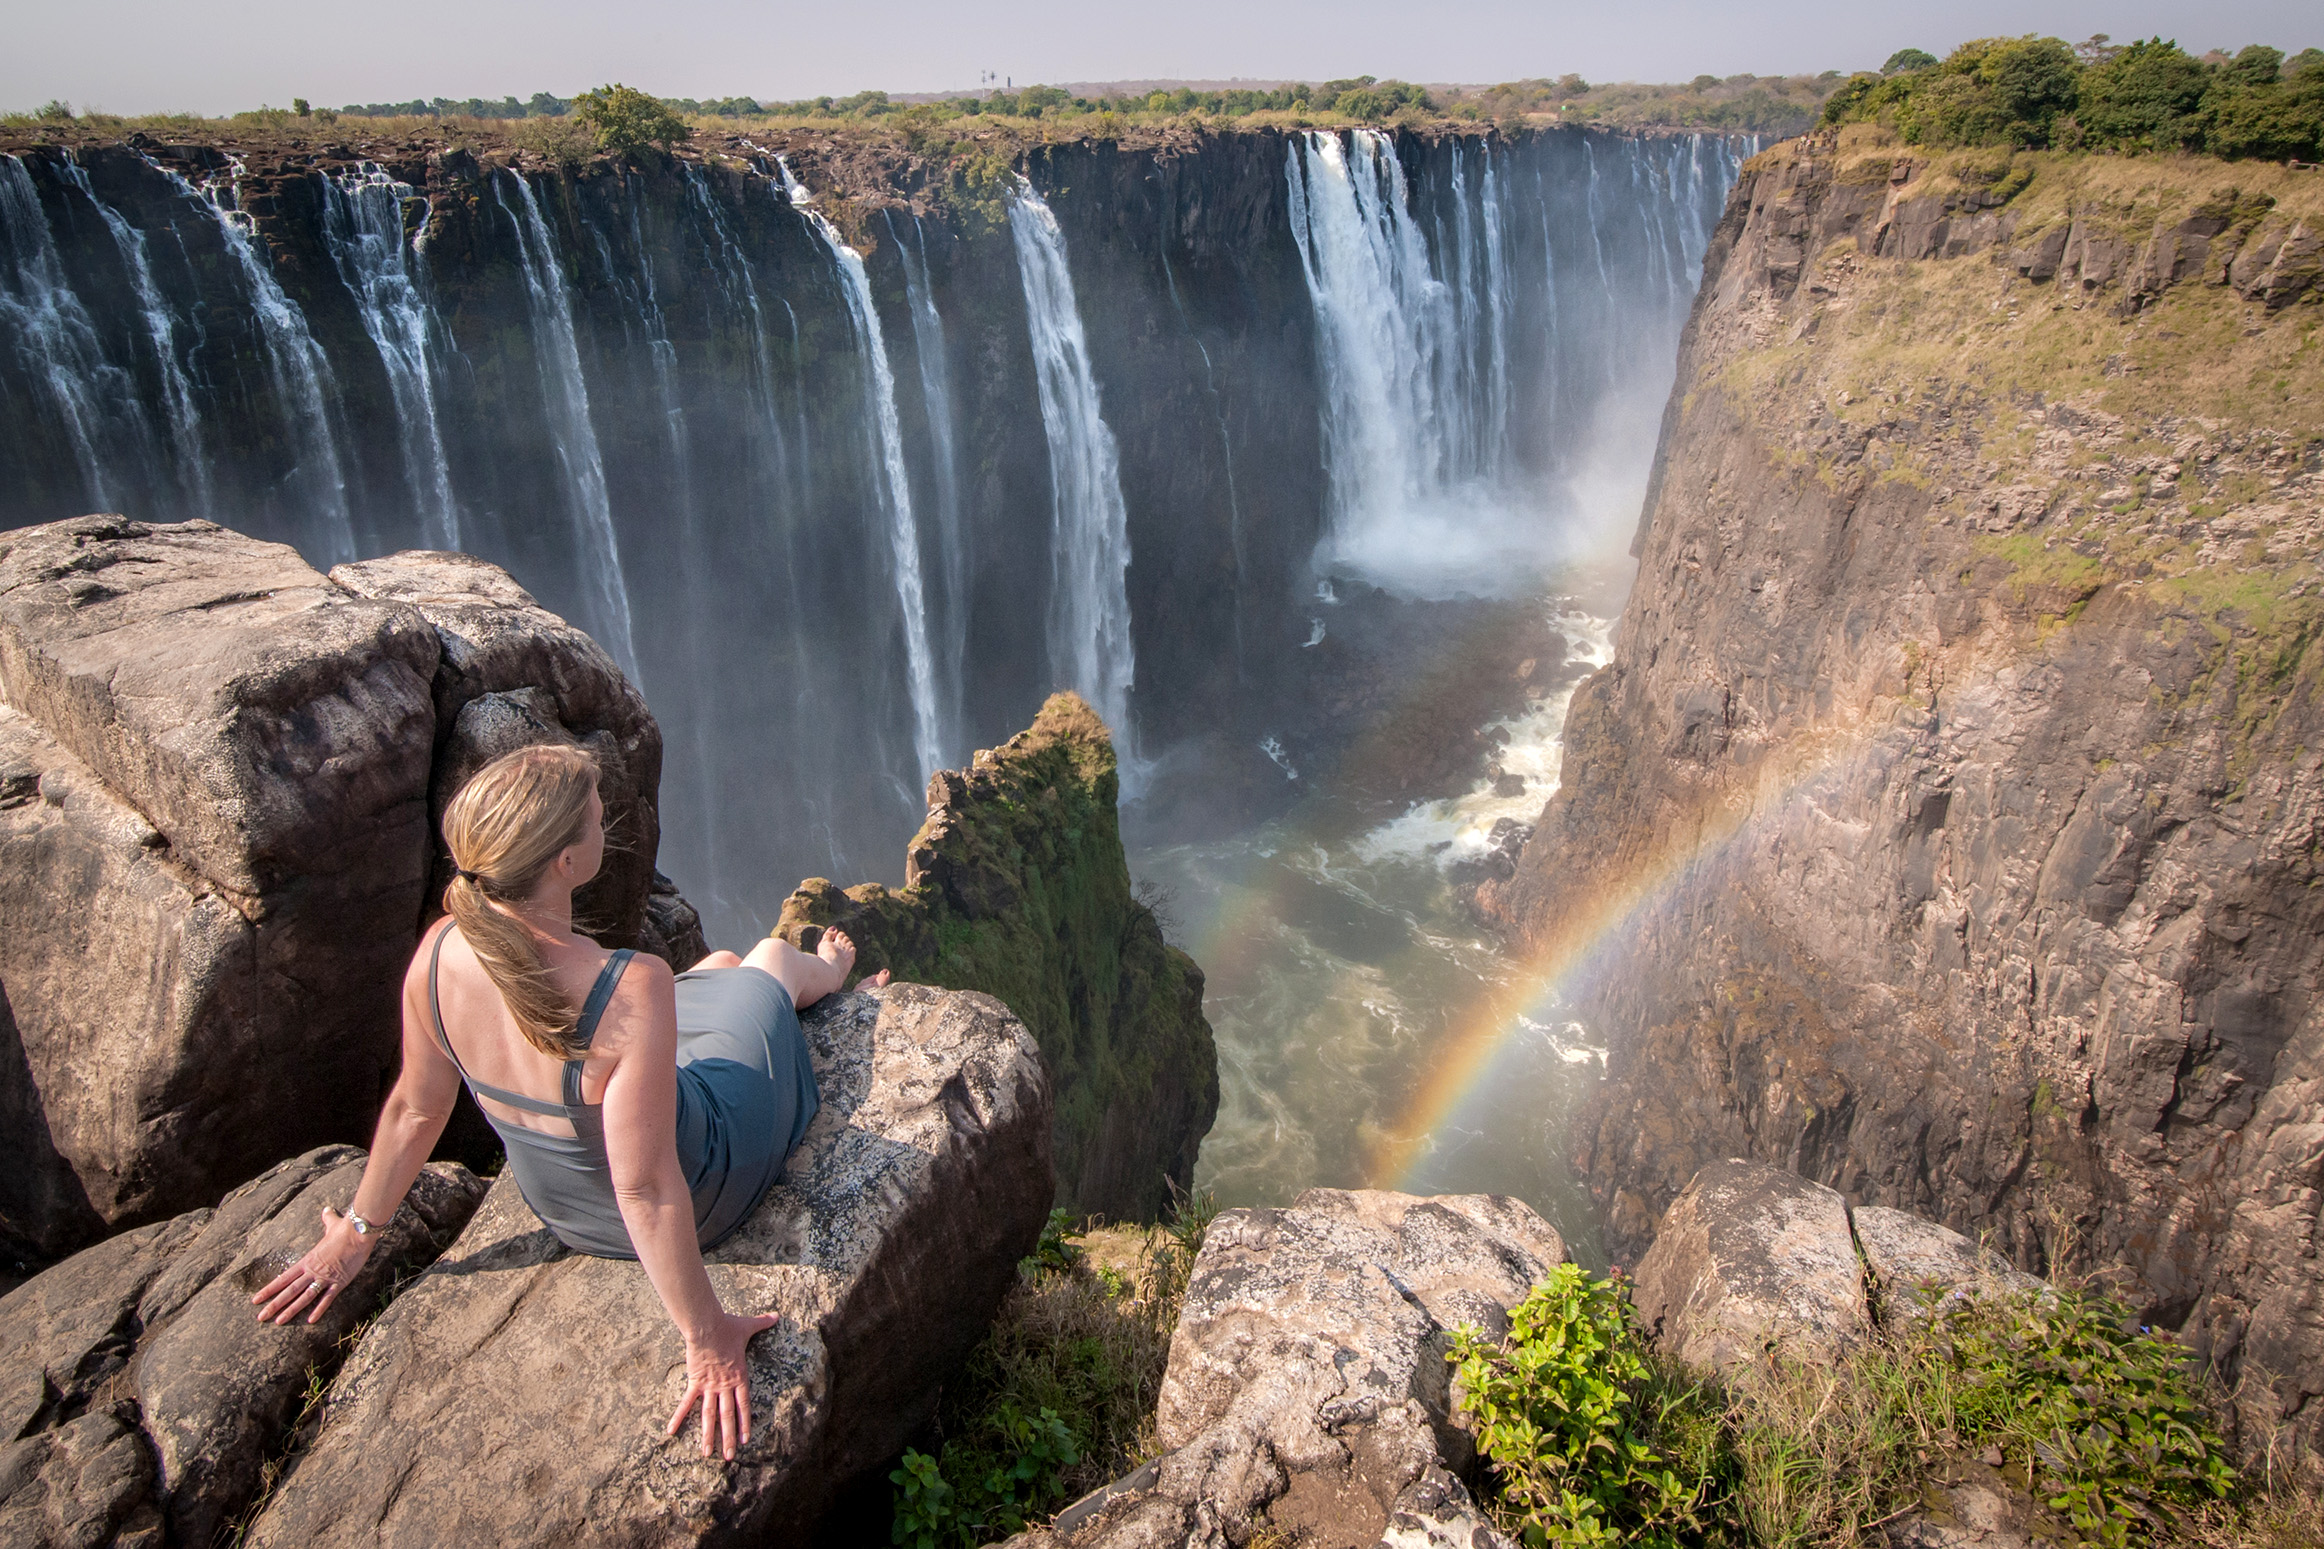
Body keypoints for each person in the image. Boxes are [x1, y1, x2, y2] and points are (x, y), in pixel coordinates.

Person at [251, 743, 882, 1460]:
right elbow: (645, 1186)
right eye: (594, 815)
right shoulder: (628, 984)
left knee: (716, 968)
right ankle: (832, 983)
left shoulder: (436, 955)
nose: (606, 817)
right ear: (564, 862)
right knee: (767, 960)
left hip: (564, 1207)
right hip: (704, 1183)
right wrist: (705, 1335)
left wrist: (356, 1233)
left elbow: (414, 1111)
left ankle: (743, 981)